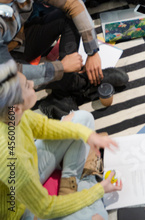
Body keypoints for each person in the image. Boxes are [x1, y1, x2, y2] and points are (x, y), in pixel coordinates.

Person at [0, 59, 122, 220]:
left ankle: (70, 182)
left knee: (83, 120)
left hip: (31, 168)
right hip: (21, 209)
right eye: (27, 86)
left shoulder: (12, 115)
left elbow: (45, 127)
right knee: (99, 218)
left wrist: (88, 135)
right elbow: (46, 208)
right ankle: (86, 180)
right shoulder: (12, 159)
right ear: (15, 108)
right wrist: (98, 191)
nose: (32, 82)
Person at [0, 0, 128, 99]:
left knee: (68, 15)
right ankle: (78, 83)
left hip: (21, 41)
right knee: (13, 91)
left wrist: (92, 51)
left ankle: (70, 79)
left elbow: (74, 3)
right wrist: (60, 67)